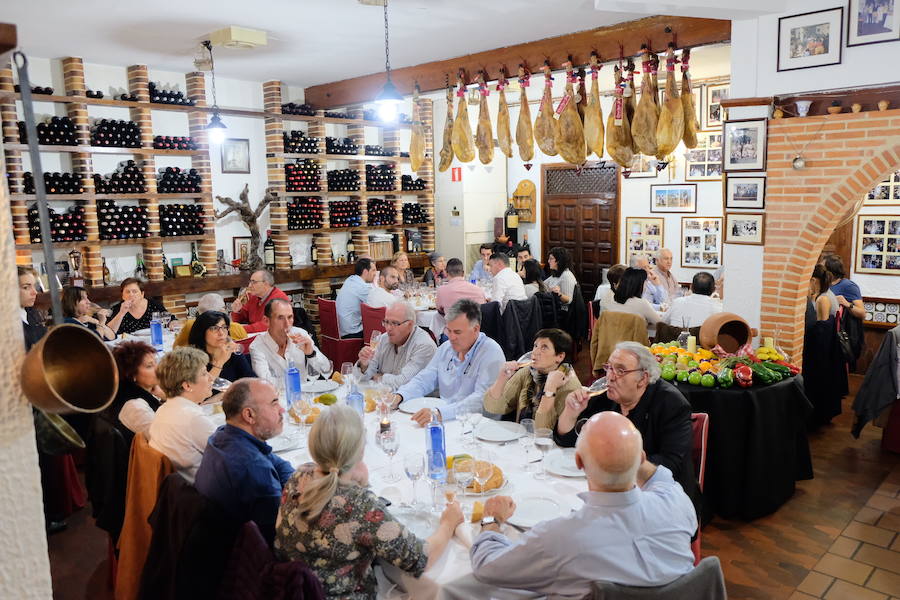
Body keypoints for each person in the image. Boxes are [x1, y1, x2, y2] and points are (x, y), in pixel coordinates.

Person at [469, 411, 696, 597]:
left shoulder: (559, 538)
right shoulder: (676, 501)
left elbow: (487, 568)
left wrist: (491, 519)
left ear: (578, 461)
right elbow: (660, 479)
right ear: (643, 458)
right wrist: (628, 455)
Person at [275, 405, 463, 599]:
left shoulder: (300, 475)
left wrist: (354, 477)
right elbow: (420, 558)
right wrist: (449, 523)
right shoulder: (360, 504)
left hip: (290, 590)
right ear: (360, 451)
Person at [555, 342, 699, 512]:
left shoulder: (672, 404)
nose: (610, 377)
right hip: (613, 491)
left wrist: (612, 465)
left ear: (643, 378)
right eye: (609, 367)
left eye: (620, 370)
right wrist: (570, 412)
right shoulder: (605, 396)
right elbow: (568, 441)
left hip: (660, 499)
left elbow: (670, 464)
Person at [195, 378, 294, 544]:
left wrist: (297, 482)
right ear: (249, 415)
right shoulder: (253, 468)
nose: (282, 409)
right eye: (274, 403)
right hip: (242, 553)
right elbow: (279, 535)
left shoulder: (222, 435)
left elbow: (276, 462)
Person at [391, 299, 505, 425]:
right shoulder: (446, 348)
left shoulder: (491, 352)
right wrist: (400, 396)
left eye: (457, 332)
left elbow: (481, 400)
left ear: (476, 329)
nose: (451, 337)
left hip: (479, 425)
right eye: (448, 331)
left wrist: (441, 413)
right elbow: (425, 378)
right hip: (445, 419)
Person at [483, 329, 581, 429]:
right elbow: (493, 407)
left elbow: (543, 430)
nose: (535, 352)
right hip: (522, 436)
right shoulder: (527, 372)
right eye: (535, 346)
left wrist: (550, 389)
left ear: (560, 356)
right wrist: (502, 378)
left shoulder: (570, 387)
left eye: (544, 348)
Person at [148, 347, 217, 483]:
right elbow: (231, 453)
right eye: (204, 373)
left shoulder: (164, 409)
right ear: (187, 386)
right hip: (201, 489)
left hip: (176, 487)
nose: (211, 378)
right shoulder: (192, 418)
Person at [249, 298, 331, 387]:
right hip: (279, 395)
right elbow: (265, 383)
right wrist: (296, 381)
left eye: (290, 317)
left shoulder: (300, 334)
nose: (287, 324)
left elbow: (326, 369)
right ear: (266, 321)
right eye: (280, 318)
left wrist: (311, 354)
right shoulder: (257, 346)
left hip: (305, 392)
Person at [357, 302, 437, 390]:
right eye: (386, 322)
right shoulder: (383, 339)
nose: (388, 328)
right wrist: (363, 365)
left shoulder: (424, 346)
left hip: (417, 398)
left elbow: (404, 383)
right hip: (384, 395)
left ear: (410, 325)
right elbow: (360, 377)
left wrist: (379, 377)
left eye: (395, 323)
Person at [109, 341, 164, 444]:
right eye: (149, 366)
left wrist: (165, 397)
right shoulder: (134, 407)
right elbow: (165, 439)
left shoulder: (141, 392)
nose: (158, 369)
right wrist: (170, 398)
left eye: (156, 362)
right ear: (132, 375)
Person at [187, 310, 255, 383]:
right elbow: (201, 388)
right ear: (202, 332)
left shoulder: (233, 353)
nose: (221, 333)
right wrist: (220, 362)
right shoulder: (192, 359)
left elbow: (252, 382)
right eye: (214, 328)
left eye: (224, 327)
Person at [174, 293, 248, 347]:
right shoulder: (236, 328)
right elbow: (245, 349)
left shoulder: (190, 326)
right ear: (221, 310)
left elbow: (176, 348)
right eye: (224, 308)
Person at [107, 278, 175, 335]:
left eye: (134, 291)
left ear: (142, 294)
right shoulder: (117, 309)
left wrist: (173, 323)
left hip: (153, 340)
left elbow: (170, 319)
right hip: (128, 344)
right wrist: (121, 313)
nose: (131, 295)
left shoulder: (154, 305)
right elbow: (108, 333)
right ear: (123, 296)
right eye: (127, 292)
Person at [336, 258, 377, 338]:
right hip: (351, 333)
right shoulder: (363, 287)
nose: (375, 274)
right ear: (365, 272)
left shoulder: (350, 279)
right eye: (373, 270)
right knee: (380, 326)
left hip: (341, 329)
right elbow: (378, 304)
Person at [824, 255, 865, 320]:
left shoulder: (849, 286)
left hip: (835, 324)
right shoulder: (824, 284)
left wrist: (847, 304)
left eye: (823, 268)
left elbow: (862, 314)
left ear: (830, 271)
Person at [19, 266, 46, 350]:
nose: (35, 292)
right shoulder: (6, 322)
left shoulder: (32, 313)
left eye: (34, 286)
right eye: (26, 287)